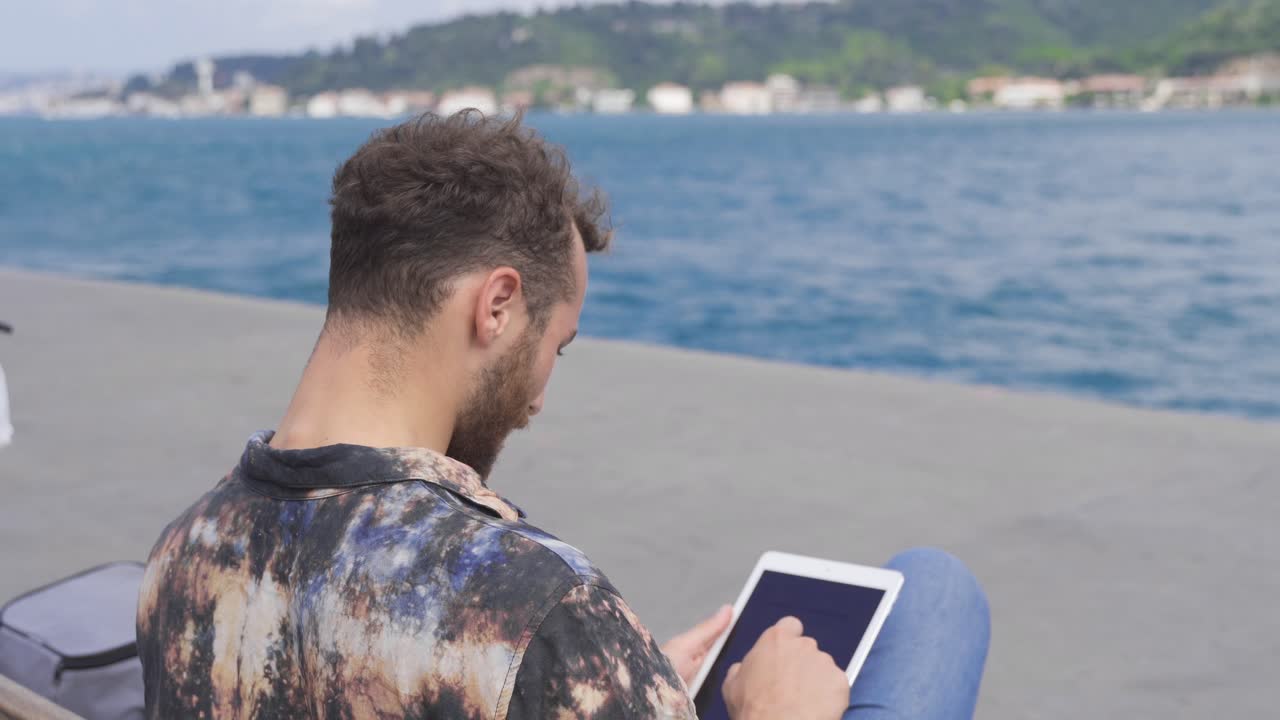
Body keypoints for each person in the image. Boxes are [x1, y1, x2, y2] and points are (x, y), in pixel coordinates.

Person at [137, 112, 988, 719]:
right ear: (497, 305)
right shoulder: (539, 608)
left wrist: (625, 674)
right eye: (559, 346)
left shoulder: (180, 555)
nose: (539, 397)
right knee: (937, 591)